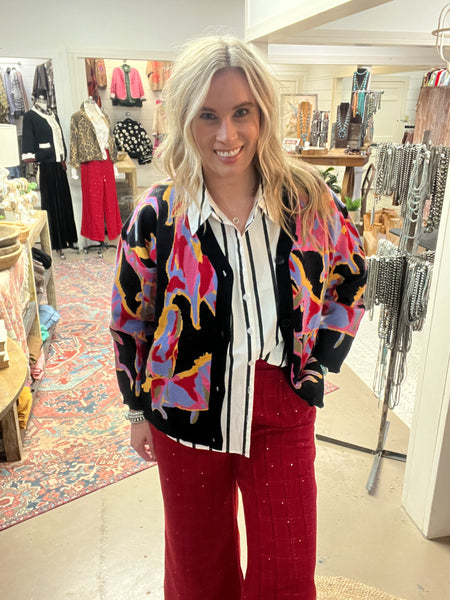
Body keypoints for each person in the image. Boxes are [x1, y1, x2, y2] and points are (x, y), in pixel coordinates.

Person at [110, 35, 366, 600]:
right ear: (185, 118)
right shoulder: (158, 214)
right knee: (198, 572)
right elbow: (131, 317)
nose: (226, 135)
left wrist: (319, 362)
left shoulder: (307, 200)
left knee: (287, 572)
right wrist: (136, 408)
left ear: (263, 113)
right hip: (184, 403)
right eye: (208, 115)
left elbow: (351, 276)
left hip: (281, 400)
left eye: (241, 112)